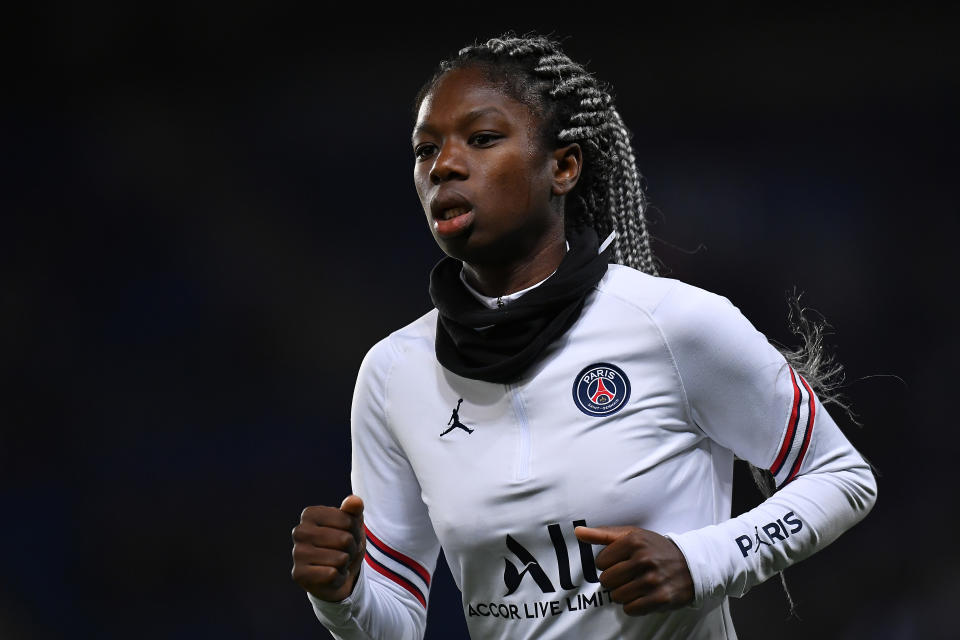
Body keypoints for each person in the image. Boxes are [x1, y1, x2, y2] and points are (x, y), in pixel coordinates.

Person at [290, 33, 877, 639]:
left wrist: (699, 562)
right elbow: (397, 623)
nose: (443, 166)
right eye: (425, 150)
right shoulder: (394, 374)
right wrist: (345, 595)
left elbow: (841, 478)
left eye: (482, 139)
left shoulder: (671, 323)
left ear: (563, 167)